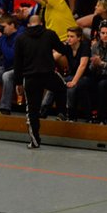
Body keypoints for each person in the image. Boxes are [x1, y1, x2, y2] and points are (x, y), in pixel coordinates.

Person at [13, 15, 70, 148]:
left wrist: (18, 82)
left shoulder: (21, 38)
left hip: (30, 78)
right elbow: (62, 50)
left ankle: (34, 140)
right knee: (62, 86)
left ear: (28, 25)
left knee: (32, 110)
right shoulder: (49, 34)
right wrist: (68, 44)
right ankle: (62, 111)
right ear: (42, 24)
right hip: (48, 74)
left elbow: (18, 63)